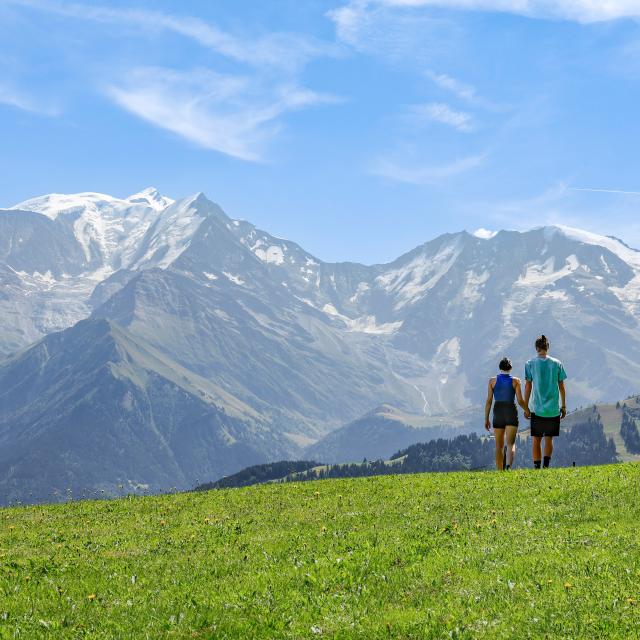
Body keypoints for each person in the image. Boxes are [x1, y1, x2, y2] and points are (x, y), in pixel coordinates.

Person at [524, 334, 567, 469]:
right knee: (549, 439)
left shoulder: (530, 364)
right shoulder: (557, 363)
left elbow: (528, 386)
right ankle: (546, 466)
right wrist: (563, 405)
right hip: (553, 408)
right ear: (547, 347)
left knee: (536, 439)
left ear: (536, 348)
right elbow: (561, 387)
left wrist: (526, 407)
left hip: (537, 408)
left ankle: (537, 468)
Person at [484, 357, 528, 470]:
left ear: (500, 368)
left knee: (498, 446)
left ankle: (500, 471)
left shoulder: (492, 381)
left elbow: (489, 401)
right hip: (510, 410)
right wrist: (528, 410)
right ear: (511, 368)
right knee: (510, 444)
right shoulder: (516, 381)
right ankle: (508, 466)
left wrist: (486, 418)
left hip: (498, 410)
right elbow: (520, 401)